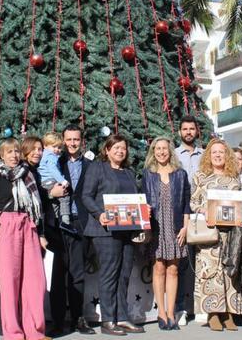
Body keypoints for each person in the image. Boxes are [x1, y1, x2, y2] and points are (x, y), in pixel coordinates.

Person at [79, 134, 145, 335]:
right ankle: (108, 320)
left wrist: (143, 211)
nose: (120, 151)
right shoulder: (97, 168)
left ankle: (122, 318)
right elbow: (86, 196)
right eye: (115, 147)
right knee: (109, 275)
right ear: (107, 150)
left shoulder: (128, 172)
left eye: (123, 148)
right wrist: (99, 215)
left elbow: (134, 199)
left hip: (127, 229)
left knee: (124, 275)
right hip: (105, 231)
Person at [0, 138, 49, 340]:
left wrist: (41, 233)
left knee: (34, 280)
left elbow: (38, 207)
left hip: (28, 224)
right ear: (1, 155)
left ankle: (35, 331)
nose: (13, 155)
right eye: (9, 152)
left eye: (16, 151)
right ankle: (13, 333)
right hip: (6, 226)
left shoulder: (28, 174)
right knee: (9, 282)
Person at [190, 138, 242, 331]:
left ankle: (228, 312)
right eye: (214, 152)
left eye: (221, 152)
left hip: (231, 233)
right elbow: (193, 202)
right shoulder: (200, 177)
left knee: (230, 271)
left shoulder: (234, 178)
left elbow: (241, 204)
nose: (218, 155)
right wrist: (203, 210)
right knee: (210, 272)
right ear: (208, 156)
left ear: (227, 155)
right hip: (209, 232)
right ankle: (213, 313)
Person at [46, 124, 95, 335]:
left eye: (76, 139)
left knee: (77, 273)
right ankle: (57, 320)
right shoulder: (55, 161)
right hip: (58, 224)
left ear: (81, 141)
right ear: (63, 141)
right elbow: (42, 186)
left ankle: (78, 318)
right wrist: (51, 193)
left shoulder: (91, 165)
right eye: (69, 140)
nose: (72, 143)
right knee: (58, 273)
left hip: (80, 222)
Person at [141, 136, 191, 330]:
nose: (161, 152)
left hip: (176, 226)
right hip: (157, 227)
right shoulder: (148, 174)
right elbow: (143, 200)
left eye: (164, 148)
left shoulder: (180, 174)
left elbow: (186, 202)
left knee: (173, 269)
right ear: (153, 152)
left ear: (170, 151)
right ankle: (161, 312)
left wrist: (185, 227)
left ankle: (171, 312)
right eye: (157, 149)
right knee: (159, 268)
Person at [173, 115, 203, 326]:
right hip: (181, 213)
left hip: (201, 213)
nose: (188, 132)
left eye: (192, 129)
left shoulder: (205, 154)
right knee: (182, 262)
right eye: (185, 129)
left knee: (201, 262)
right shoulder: (174, 155)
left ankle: (200, 306)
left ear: (196, 131)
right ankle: (181, 308)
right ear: (180, 132)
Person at [39, 132, 72, 228]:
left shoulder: (44, 154)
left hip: (44, 181)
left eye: (59, 147)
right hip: (51, 180)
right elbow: (53, 170)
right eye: (54, 147)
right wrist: (63, 181)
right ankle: (66, 220)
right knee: (64, 197)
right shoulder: (51, 156)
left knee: (53, 202)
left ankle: (52, 220)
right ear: (45, 145)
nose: (57, 150)